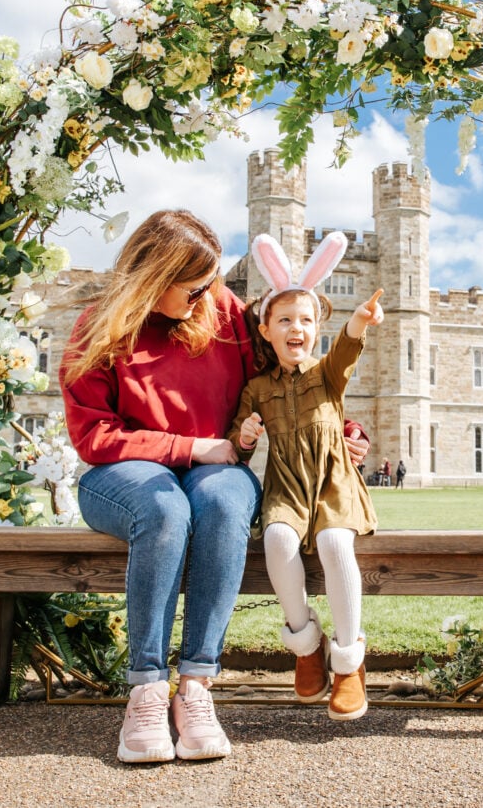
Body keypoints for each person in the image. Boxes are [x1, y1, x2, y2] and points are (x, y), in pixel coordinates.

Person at [60, 210, 369, 763]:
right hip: (124, 473)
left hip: (215, 470)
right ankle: (148, 690)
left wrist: (342, 431)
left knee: (225, 503)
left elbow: (286, 377)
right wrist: (189, 447)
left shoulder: (220, 310)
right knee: (164, 511)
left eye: (213, 280)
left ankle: (197, 686)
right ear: (154, 276)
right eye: (195, 284)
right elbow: (94, 435)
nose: (210, 293)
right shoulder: (98, 327)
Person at [229, 231, 383, 721]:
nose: (297, 328)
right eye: (286, 320)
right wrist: (248, 433)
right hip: (287, 485)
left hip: (334, 482)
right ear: (267, 329)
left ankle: (347, 663)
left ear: (317, 328)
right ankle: (304, 646)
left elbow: (347, 350)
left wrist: (359, 319)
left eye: (307, 320)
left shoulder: (326, 375)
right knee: (276, 541)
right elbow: (237, 440)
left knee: (337, 546)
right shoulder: (256, 387)